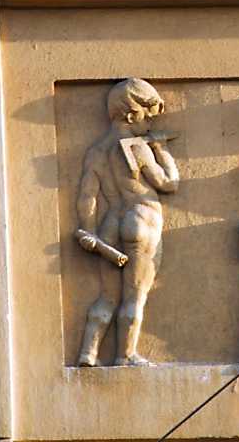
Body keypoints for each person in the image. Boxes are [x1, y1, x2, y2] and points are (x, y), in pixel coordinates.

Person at [75, 78, 180, 367]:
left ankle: (88, 353)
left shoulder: (96, 152)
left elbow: (87, 197)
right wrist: (161, 149)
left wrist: (89, 231)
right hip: (142, 219)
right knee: (135, 295)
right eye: (149, 116)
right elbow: (168, 183)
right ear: (133, 115)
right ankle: (125, 355)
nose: (151, 122)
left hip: (110, 224)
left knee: (107, 296)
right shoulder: (136, 148)